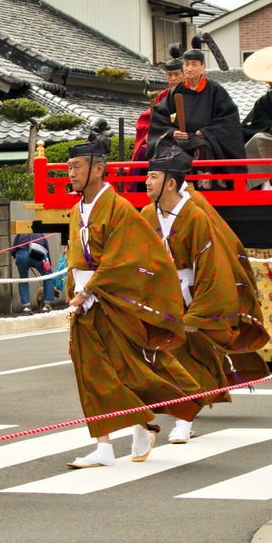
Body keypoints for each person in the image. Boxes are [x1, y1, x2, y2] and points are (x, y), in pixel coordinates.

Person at [60, 131, 204, 468]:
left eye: (77, 166)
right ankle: (105, 446)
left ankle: (145, 422)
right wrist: (74, 290)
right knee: (91, 373)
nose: (71, 173)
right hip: (86, 301)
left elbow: (125, 257)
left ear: (98, 169)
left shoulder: (120, 208)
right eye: (68, 168)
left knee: (129, 369)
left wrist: (89, 289)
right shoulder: (77, 208)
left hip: (113, 301)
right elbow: (75, 257)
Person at [140, 145, 270, 443]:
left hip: (191, 295)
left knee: (193, 356)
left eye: (153, 176)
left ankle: (184, 419)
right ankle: (163, 417)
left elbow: (213, 266)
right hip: (161, 298)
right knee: (161, 358)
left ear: (171, 183)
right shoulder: (147, 214)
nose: (147, 182)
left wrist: (199, 311)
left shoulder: (195, 216)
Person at [146, 49, 246, 186]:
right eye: (186, 64)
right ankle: (170, 187)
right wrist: (171, 132)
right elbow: (159, 115)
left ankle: (205, 188)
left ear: (203, 67)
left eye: (194, 64)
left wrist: (207, 132)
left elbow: (229, 118)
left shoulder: (215, 90)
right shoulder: (176, 91)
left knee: (202, 147)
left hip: (204, 138)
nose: (189, 68)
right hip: (180, 138)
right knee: (163, 147)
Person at [131, 50, 186, 164]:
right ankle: (140, 182)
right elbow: (146, 121)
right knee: (143, 150)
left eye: (177, 74)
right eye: (169, 75)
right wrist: (150, 134)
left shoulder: (194, 94)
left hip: (187, 138)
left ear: (185, 75)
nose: (173, 79)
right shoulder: (163, 96)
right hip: (164, 138)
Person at [8, 232, 56, 312]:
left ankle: (26, 307)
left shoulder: (20, 234)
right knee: (48, 278)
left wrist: (17, 259)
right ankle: (47, 306)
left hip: (22, 256)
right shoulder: (40, 235)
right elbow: (46, 250)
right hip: (38, 255)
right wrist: (48, 264)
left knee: (23, 279)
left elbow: (13, 250)